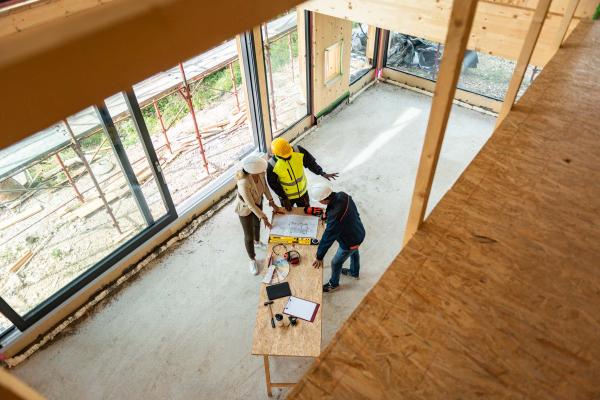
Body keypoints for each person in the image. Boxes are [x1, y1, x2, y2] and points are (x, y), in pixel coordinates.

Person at [310, 182, 365, 292]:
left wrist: (319, 256)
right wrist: (328, 214)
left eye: (319, 200)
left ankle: (333, 284)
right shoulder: (343, 195)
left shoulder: (336, 216)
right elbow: (350, 212)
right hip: (359, 231)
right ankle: (354, 273)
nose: (319, 202)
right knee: (354, 252)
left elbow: (327, 238)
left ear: (324, 199)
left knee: (336, 263)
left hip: (350, 241)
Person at [235, 155, 284, 275]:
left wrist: (272, 203)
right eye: (261, 169)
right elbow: (250, 205)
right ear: (253, 170)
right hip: (245, 208)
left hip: (258, 201)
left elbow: (265, 187)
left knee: (257, 225)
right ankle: (252, 259)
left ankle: (257, 242)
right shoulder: (243, 182)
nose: (264, 171)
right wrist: (265, 217)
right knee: (248, 235)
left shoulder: (260, 173)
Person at [267, 138, 339, 211]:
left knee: (306, 211)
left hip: (302, 193)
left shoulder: (298, 151)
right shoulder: (272, 164)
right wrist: (284, 198)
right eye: (286, 156)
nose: (288, 156)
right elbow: (273, 184)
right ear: (276, 154)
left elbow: (311, 163)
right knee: (289, 214)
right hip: (287, 198)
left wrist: (321, 173)